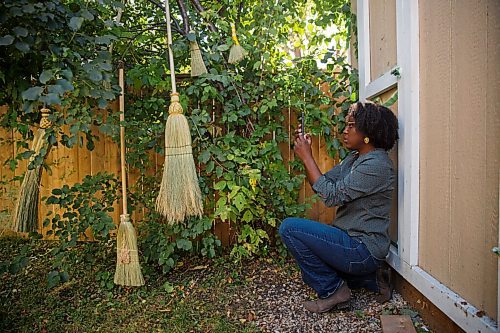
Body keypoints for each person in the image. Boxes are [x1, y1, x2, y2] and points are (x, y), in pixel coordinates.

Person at [279, 102, 399, 313]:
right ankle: (370, 279)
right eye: (346, 125)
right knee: (311, 260)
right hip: (349, 239)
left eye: (351, 125)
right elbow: (322, 185)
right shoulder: (355, 158)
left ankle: (334, 291)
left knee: (290, 228)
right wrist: (306, 158)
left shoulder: (376, 165)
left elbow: (331, 196)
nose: (345, 131)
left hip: (363, 247)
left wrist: (307, 156)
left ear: (368, 132)